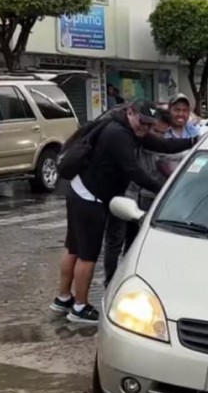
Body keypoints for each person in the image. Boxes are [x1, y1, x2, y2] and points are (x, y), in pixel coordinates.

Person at [51, 101, 197, 324]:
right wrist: (167, 190)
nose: (145, 129)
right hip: (89, 198)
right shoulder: (118, 135)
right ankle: (79, 307)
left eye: (149, 125)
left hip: (79, 191)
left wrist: (196, 140)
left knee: (73, 248)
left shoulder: (128, 128)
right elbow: (135, 172)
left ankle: (63, 298)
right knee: (87, 256)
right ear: (130, 113)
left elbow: (164, 146)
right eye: (142, 123)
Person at [103, 107, 172, 287]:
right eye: (155, 131)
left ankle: (127, 279)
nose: (156, 136)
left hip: (147, 201)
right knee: (114, 242)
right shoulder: (129, 139)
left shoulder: (161, 149)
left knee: (135, 243)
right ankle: (110, 283)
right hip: (124, 196)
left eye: (162, 133)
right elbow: (134, 172)